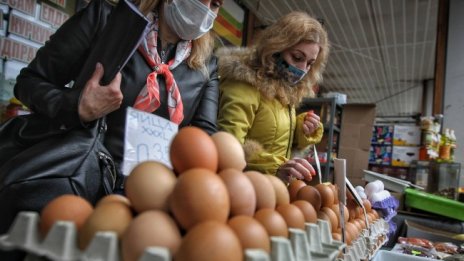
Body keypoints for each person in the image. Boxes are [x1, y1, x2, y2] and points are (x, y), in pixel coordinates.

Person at [14, 0, 222, 179]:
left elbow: (205, 138)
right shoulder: (104, 21)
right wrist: (77, 106)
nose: (208, 10)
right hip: (80, 176)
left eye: (216, 5)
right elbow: (29, 82)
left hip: (151, 197)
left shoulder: (206, 65)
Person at [216, 11, 329, 183]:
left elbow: (272, 135)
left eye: (310, 63)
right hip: (241, 188)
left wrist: (299, 130)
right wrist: (276, 167)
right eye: (297, 57)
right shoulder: (244, 83)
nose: (303, 69)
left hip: (267, 189)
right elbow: (228, 147)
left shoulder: (283, 88)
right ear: (276, 47)